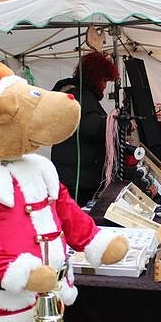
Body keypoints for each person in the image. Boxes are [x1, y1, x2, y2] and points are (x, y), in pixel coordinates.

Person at [50, 51, 119, 206]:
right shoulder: (81, 96)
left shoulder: (74, 93)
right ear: (95, 77)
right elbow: (91, 128)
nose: (104, 86)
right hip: (79, 177)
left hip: (71, 172)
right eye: (103, 81)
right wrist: (116, 122)